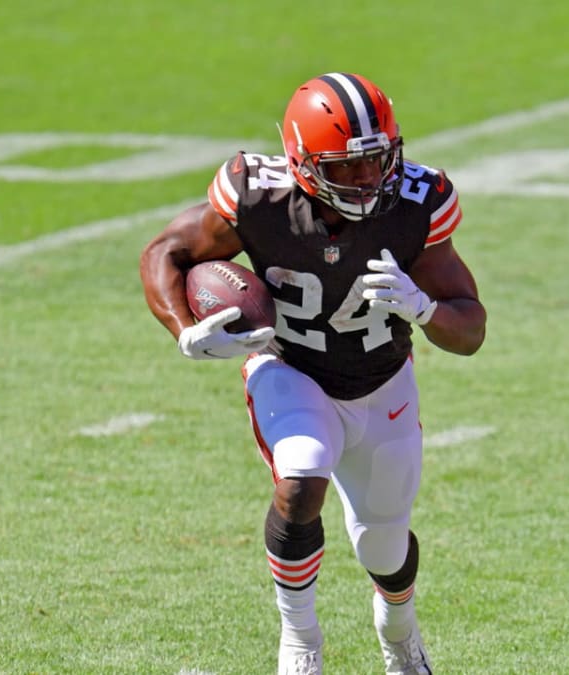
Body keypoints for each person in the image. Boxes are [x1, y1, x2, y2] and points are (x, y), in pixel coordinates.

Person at [140, 72, 486, 674]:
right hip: (289, 364)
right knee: (301, 475)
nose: (367, 178)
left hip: (381, 381)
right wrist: (185, 331)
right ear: (302, 161)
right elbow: (164, 253)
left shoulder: (414, 204)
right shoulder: (256, 196)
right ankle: (301, 641)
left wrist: (424, 308)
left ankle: (399, 630)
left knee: (384, 545)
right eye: (347, 167)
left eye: (377, 160)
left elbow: (471, 327)